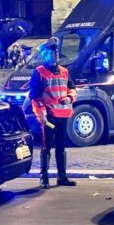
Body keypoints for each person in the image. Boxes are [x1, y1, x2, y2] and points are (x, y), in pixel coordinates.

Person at [29, 37, 78, 189]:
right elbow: (35, 96)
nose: (55, 53)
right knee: (46, 146)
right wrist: (42, 114)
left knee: (61, 146)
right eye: (51, 51)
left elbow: (72, 89)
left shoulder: (64, 71)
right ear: (44, 54)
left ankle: (62, 177)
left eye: (56, 51)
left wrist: (69, 98)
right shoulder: (39, 72)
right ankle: (44, 178)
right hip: (49, 115)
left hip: (63, 114)